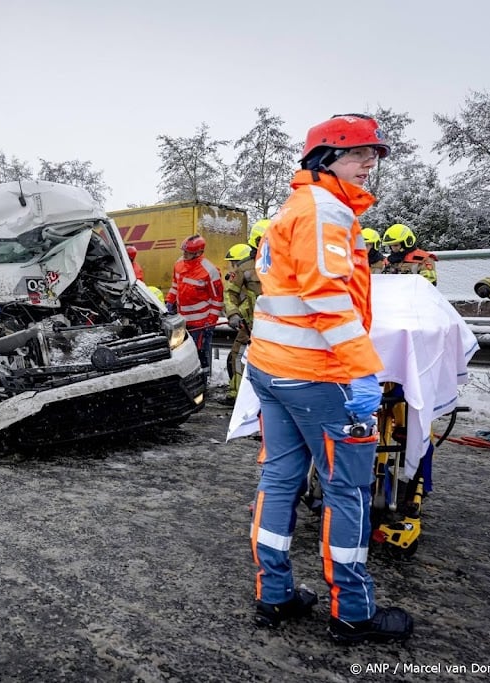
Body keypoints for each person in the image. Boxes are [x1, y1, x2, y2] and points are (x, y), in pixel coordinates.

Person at [247, 113, 413, 643]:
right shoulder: (325, 211)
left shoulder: (296, 207)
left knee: (278, 482)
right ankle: (353, 612)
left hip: (274, 370)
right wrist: (363, 371)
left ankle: (273, 596)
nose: (371, 163)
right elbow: (327, 298)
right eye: (360, 152)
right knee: (348, 492)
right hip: (320, 378)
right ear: (325, 158)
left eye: (375, 154)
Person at [165, 234, 223, 379]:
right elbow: (175, 286)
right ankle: (184, 379)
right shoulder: (179, 264)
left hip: (201, 324)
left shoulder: (209, 271)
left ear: (198, 253)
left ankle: (204, 381)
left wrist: (211, 321)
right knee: (178, 351)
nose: (184, 254)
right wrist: (169, 302)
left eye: (188, 252)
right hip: (181, 321)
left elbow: (217, 299)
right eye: (183, 251)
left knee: (201, 354)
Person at [222, 243, 261, 403]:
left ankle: (241, 395)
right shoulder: (246, 270)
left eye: (234, 263)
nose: (233, 267)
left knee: (238, 357)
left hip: (257, 325)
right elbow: (230, 294)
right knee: (237, 357)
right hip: (250, 325)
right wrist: (234, 314)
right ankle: (238, 394)